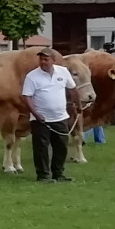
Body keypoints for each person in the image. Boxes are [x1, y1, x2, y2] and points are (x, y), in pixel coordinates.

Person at [22, 49, 78, 183]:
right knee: (41, 148)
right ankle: (43, 175)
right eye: (41, 59)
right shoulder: (32, 76)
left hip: (60, 117)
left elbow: (72, 89)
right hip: (41, 119)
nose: (43, 62)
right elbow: (27, 97)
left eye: (46, 59)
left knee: (61, 147)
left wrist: (78, 106)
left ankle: (58, 174)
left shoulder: (63, 72)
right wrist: (35, 114)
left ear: (53, 60)